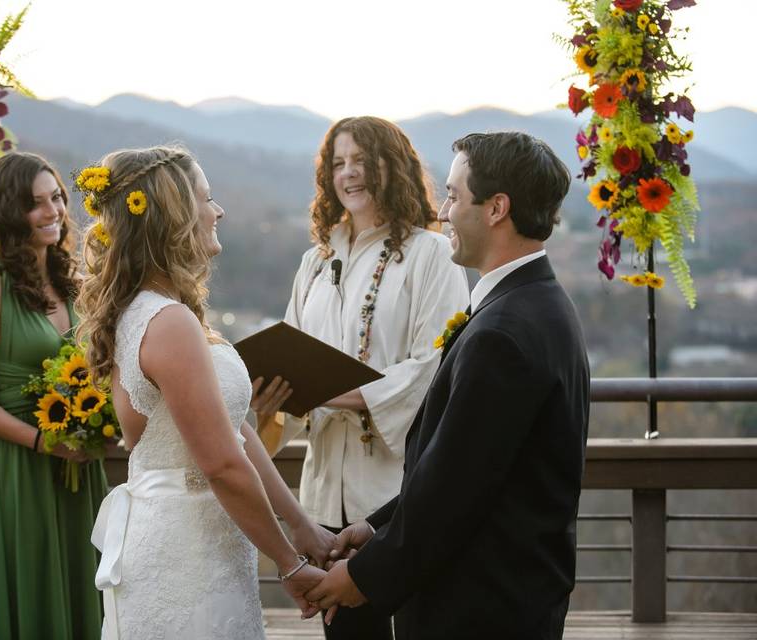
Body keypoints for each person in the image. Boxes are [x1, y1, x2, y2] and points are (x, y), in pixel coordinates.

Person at [306, 131, 591, 640]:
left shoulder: (503, 333)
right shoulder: (539, 304)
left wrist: (363, 577)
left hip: (481, 610)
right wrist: (375, 526)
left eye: (455, 196)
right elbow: (461, 466)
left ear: (497, 208)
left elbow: (455, 494)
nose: (442, 211)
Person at [75, 146, 333, 639]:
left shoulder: (166, 310)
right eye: (207, 198)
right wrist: (289, 564)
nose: (219, 211)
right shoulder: (167, 322)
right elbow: (220, 463)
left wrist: (300, 526)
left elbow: (235, 430)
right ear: (174, 215)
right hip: (183, 552)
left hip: (208, 545)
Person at [254, 116, 468, 639]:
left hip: (399, 495)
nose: (348, 175)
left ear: (390, 167)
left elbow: (437, 366)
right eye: (337, 164)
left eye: (360, 162)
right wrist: (266, 402)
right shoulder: (314, 263)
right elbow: (291, 362)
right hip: (325, 493)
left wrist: (341, 393)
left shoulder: (430, 253)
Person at [0, 151, 108, 638]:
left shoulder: (76, 283)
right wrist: (40, 442)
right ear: (9, 213)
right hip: (19, 471)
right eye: (35, 203)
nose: (53, 211)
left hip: (82, 467)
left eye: (57, 197)